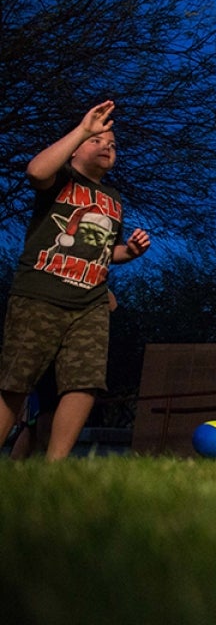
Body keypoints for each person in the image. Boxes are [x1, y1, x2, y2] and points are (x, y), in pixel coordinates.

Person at [0, 101, 151, 461]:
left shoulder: (113, 199)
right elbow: (36, 171)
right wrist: (84, 129)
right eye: (98, 139)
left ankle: (56, 467)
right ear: (76, 145)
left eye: (113, 145)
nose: (107, 147)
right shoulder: (60, 179)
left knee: (85, 381)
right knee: (15, 381)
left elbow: (101, 249)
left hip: (91, 303)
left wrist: (128, 252)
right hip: (40, 294)